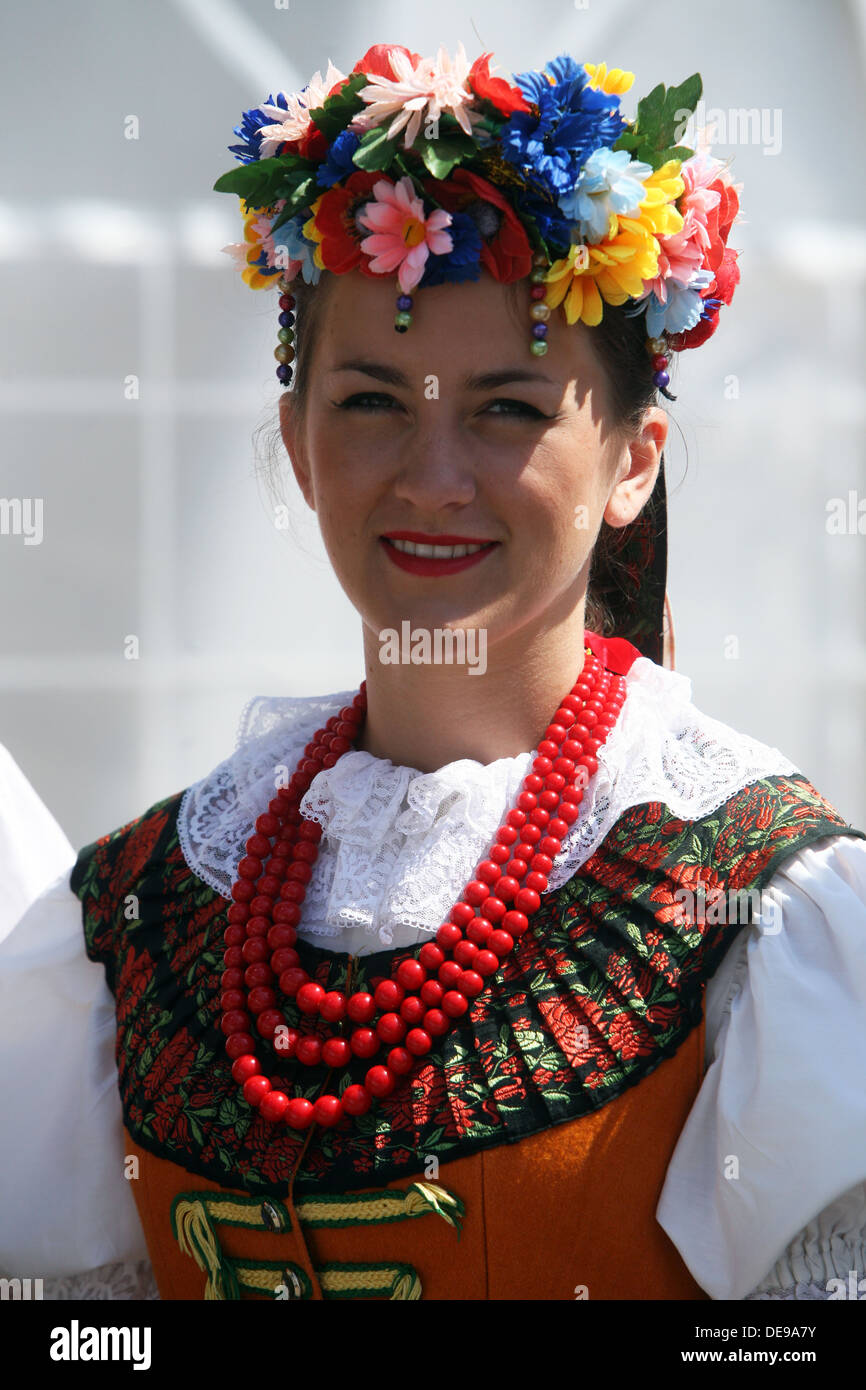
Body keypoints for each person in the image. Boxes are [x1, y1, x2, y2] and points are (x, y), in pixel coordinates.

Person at [2, 42, 865, 1303]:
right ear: (296, 444)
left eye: (507, 409)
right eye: (369, 403)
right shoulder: (142, 908)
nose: (431, 477)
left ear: (633, 459)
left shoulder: (758, 907)